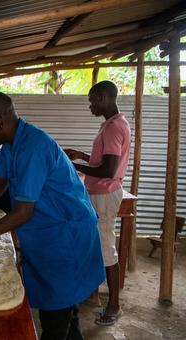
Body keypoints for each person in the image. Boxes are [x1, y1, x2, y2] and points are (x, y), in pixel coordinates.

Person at [0, 92, 105, 340]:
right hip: (48, 232)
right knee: (66, 308)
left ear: (0, 121)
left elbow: (24, 212)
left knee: (55, 316)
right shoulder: (11, 143)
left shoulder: (33, 147)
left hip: (66, 234)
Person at [64, 80, 130, 326]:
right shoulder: (113, 124)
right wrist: (81, 156)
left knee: (105, 248)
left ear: (104, 97)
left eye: (92, 99)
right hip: (100, 193)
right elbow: (103, 161)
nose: (90, 104)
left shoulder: (113, 128)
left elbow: (108, 170)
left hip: (104, 194)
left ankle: (114, 305)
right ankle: (93, 296)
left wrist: (72, 165)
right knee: (96, 244)